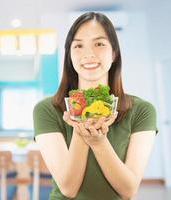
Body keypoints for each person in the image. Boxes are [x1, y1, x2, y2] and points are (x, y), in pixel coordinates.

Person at [33, 12, 157, 200]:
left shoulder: (142, 111)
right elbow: (68, 188)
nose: (89, 54)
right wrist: (80, 130)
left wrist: (98, 142)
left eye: (99, 44)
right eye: (78, 45)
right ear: (70, 55)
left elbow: (129, 190)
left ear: (114, 53)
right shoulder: (47, 109)